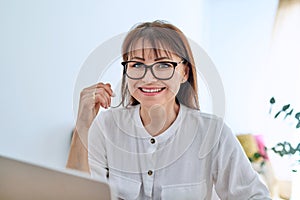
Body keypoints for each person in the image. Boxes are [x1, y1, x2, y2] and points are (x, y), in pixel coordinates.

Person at [66, 20, 271, 199]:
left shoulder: (213, 133)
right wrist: (83, 124)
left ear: (184, 73)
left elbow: (254, 196)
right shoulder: (106, 126)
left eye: (163, 65)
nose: (148, 78)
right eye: (136, 65)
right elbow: (75, 195)